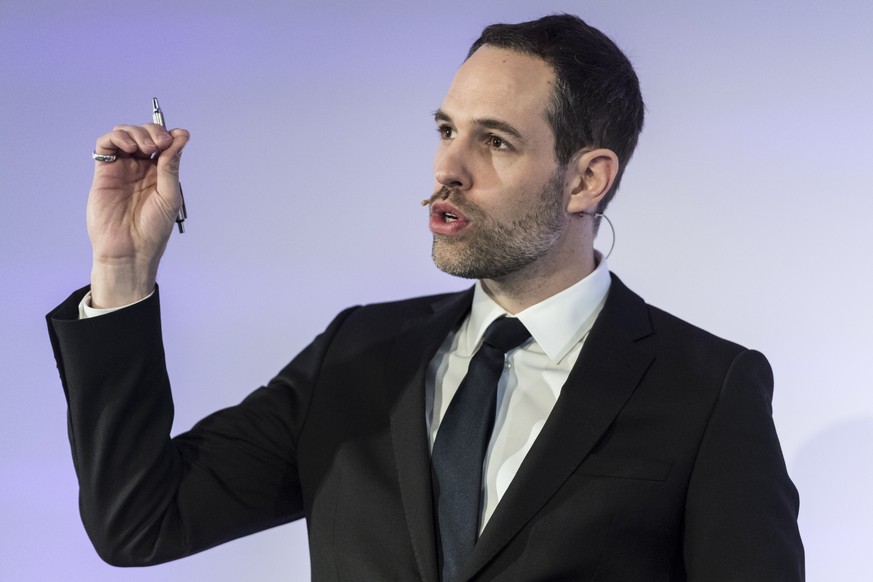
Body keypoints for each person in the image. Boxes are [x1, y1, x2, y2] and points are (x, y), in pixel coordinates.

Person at [47, 14, 804, 581]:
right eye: (447, 129)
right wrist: (123, 268)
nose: (447, 165)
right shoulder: (359, 352)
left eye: (494, 141)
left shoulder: (707, 388)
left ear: (584, 179)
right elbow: (138, 524)